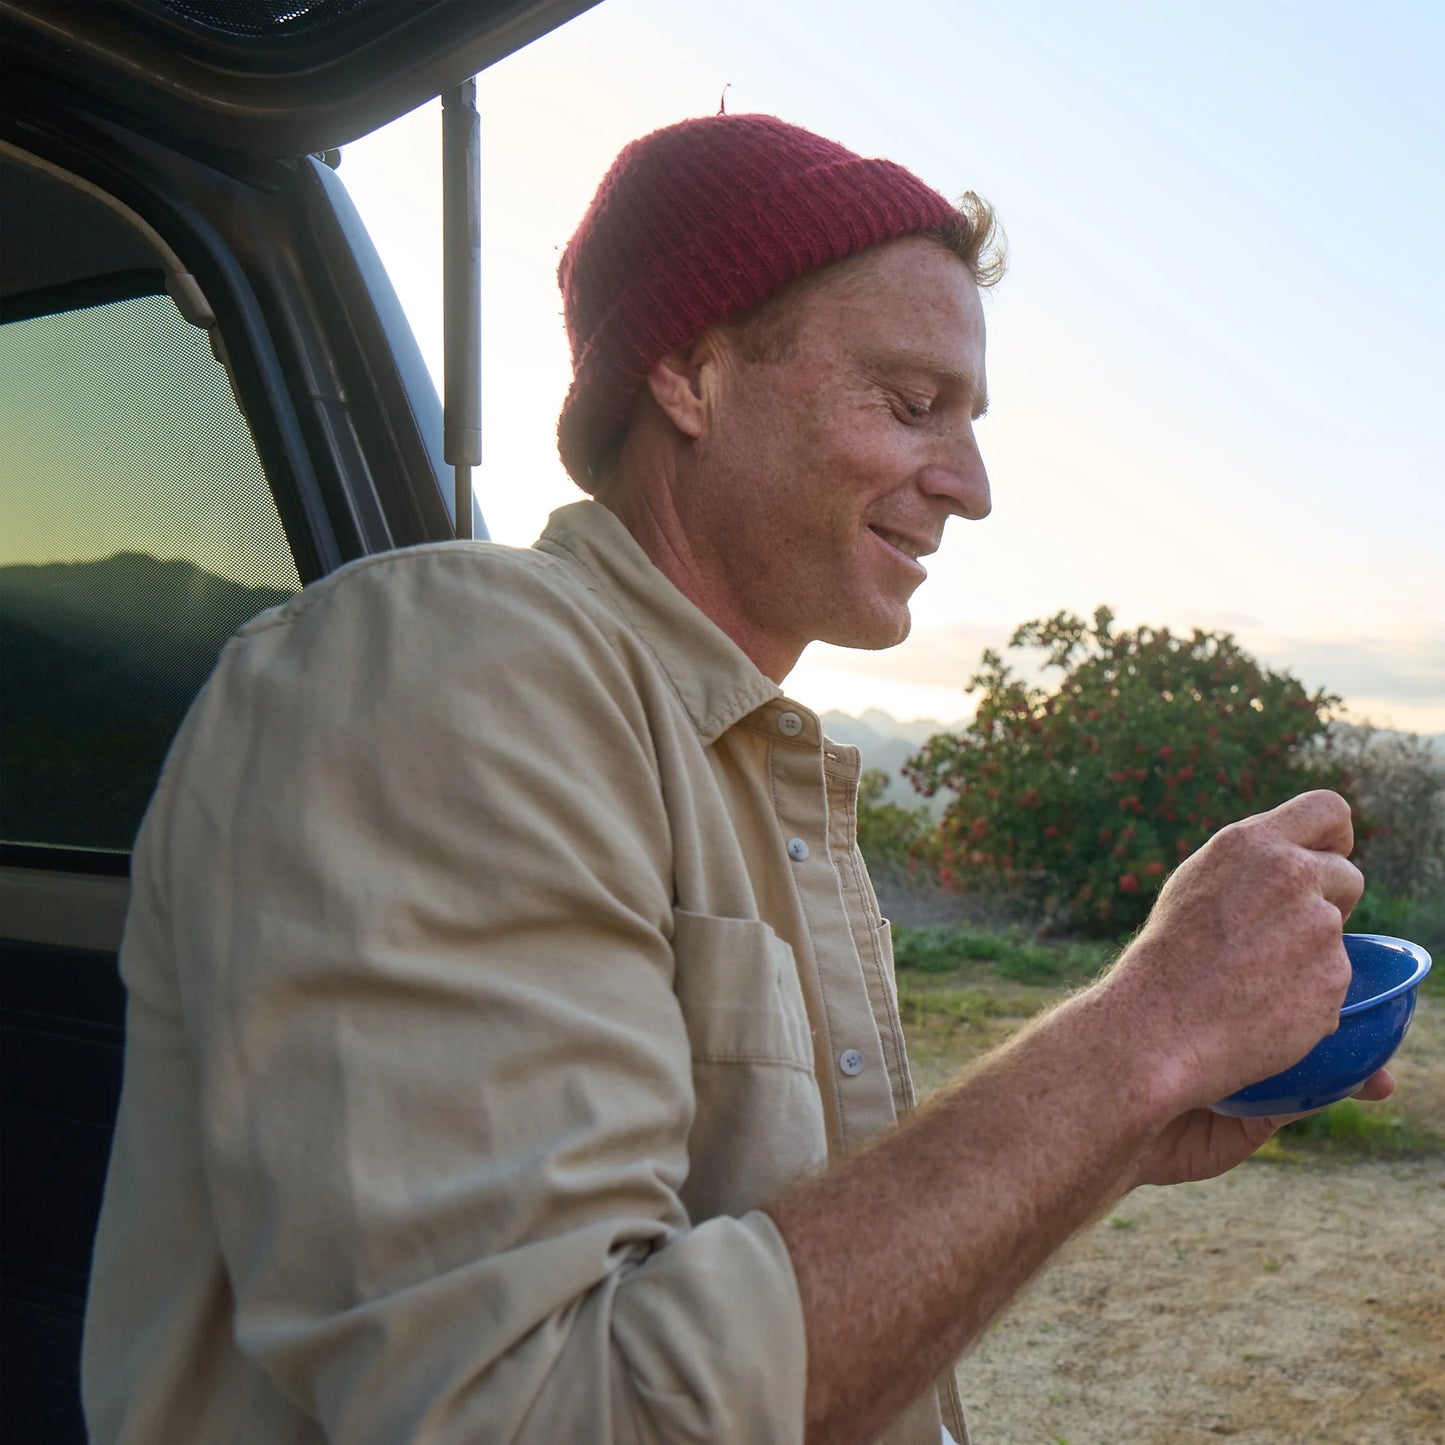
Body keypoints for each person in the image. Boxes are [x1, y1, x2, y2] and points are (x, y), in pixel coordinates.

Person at [82, 114, 1389, 1445]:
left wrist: (1110, 1128)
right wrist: (1136, 1040)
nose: (971, 485)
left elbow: (755, 1250)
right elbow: (543, 1411)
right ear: (689, 374)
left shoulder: (747, 761)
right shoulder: (444, 668)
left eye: (970, 419)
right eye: (911, 403)